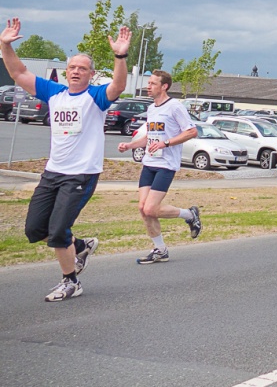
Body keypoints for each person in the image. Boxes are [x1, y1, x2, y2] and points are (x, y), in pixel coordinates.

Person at [1, 17, 130, 302]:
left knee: (58, 230)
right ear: (66, 71)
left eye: (82, 68)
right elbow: (18, 72)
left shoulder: (96, 97)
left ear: (90, 74)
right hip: (52, 173)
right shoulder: (54, 93)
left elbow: (118, 86)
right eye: (72, 67)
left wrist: (120, 55)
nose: (75, 71)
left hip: (81, 175)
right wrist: (4, 45)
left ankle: (70, 281)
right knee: (35, 229)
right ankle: (81, 246)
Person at [117, 70, 201, 263]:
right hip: (150, 162)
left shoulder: (174, 107)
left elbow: (191, 132)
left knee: (151, 209)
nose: (149, 86)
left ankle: (189, 214)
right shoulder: (152, 108)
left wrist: (167, 143)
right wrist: (130, 145)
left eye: (153, 83)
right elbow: (150, 137)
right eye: (149, 83)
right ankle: (160, 249)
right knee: (142, 208)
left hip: (166, 164)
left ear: (164, 86)